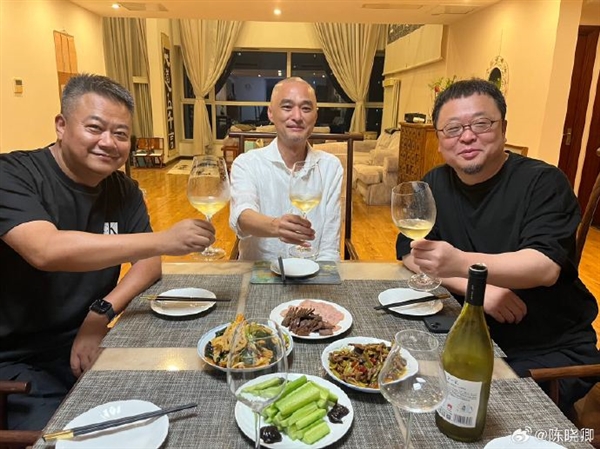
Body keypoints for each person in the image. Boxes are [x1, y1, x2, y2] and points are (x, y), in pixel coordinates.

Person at [0, 74, 216, 430]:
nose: (108, 142)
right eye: (95, 128)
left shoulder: (123, 189)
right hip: (15, 357)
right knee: (75, 434)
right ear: (61, 125)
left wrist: (99, 314)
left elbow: (149, 264)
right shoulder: (13, 174)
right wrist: (163, 239)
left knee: (172, 400)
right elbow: (45, 249)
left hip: (91, 336)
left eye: (120, 134)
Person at [396, 78, 600, 414]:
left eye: (481, 123)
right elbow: (410, 252)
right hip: (463, 335)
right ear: (440, 140)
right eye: (453, 128)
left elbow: (544, 266)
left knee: (471, 415)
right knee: (398, 384)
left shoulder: (543, 182)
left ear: (503, 128)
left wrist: (461, 263)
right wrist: (478, 290)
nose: (467, 136)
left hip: (544, 348)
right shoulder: (435, 182)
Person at [229, 77, 343, 261]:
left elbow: (330, 248)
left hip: (311, 272)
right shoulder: (247, 163)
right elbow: (242, 216)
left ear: (315, 116)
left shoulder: (330, 167)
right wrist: (276, 226)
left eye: (306, 108)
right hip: (259, 272)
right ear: (271, 113)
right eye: (287, 107)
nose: (297, 117)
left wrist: (322, 277)